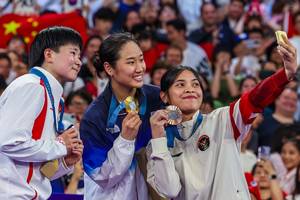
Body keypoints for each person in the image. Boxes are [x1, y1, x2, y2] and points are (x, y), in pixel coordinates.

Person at [146, 35, 298, 199]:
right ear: (164, 96)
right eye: (180, 84)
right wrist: (159, 141)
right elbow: (170, 190)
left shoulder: (222, 120)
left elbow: (255, 99)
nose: (190, 89)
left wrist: (284, 74)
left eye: (195, 84)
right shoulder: (157, 145)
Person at [0, 26, 84, 199]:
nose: (79, 61)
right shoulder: (32, 86)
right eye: (73, 53)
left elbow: (36, 170)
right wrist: (61, 144)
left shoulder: (51, 95)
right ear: (49, 55)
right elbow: (8, 142)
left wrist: (63, 161)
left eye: (79, 55)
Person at [80, 32, 162, 200]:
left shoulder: (157, 98)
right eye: (131, 62)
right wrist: (125, 140)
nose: (140, 68)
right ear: (110, 68)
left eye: (141, 59)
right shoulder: (95, 117)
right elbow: (102, 177)